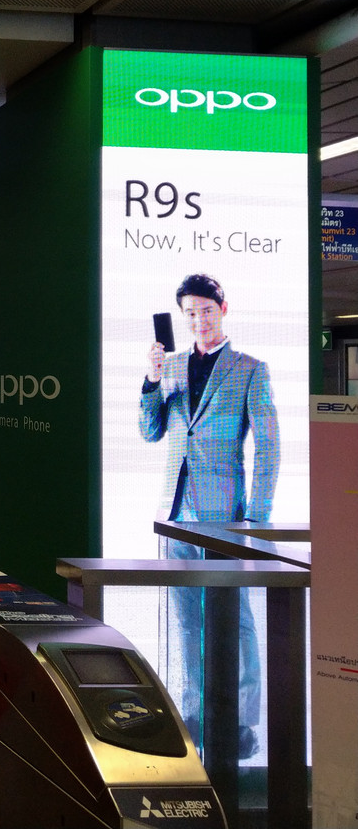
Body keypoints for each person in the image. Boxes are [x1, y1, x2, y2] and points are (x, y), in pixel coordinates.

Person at [140, 273, 279, 758]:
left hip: (225, 516)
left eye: (206, 310)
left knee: (236, 619)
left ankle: (240, 721)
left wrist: (257, 519)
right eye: (190, 312)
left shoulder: (250, 369)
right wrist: (151, 381)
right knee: (185, 620)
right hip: (176, 512)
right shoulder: (173, 365)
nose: (198, 319)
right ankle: (194, 712)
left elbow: (268, 448)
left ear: (223, 308)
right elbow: (151, 431)